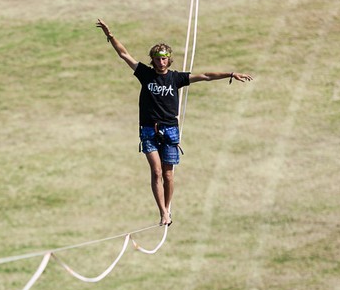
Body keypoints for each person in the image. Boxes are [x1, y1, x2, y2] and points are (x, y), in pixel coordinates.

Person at [95, 19, 253, 226]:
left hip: (170, 131)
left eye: (164, 59)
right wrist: (111, 35)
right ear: (152, 60)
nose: (161, 62)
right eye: (158, 59)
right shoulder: (145, 74)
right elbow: (124, 54)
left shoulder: (176, 79)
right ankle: (162, 212)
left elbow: (205, 76)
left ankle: (168, 208)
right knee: (156, 171)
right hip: (149, 130)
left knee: (168, 174)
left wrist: (230, 74)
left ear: (169, 60)